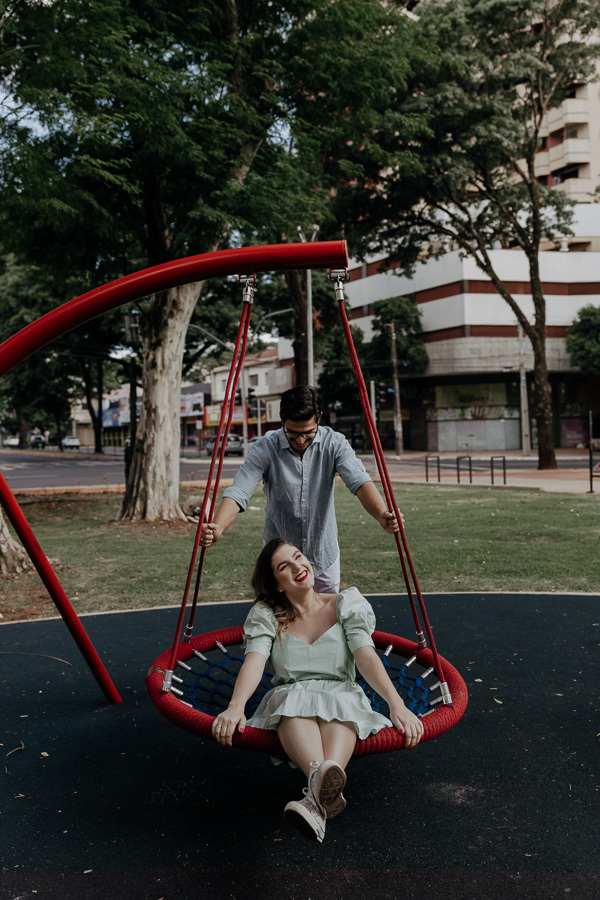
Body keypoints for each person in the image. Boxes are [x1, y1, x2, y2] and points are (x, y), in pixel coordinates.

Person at [211, 538, 424, 842]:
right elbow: (255, 663)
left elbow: (365, 655)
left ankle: (314, 801)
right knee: (292, 701)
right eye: (285, 566)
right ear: (277, 584)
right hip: (291, 696)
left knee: (342, 703)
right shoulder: (267, 615)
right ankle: (321, 789)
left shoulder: (344, 603)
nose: (298, 566)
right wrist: (236, 706)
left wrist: (396, 704)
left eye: (299, 557)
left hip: (341, 695)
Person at [200, 385, 402, 593]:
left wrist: (380, 513)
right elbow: (239, 491)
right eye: (292, 433)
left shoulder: (335, 443)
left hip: (323, 551)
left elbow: (359, 481)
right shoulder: (266, 447)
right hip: (280, 559)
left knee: (326, 618)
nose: (300, 440)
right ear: (282, 423)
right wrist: (218, 527)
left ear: (319, 419)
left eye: (307, 433)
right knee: (279, 617)